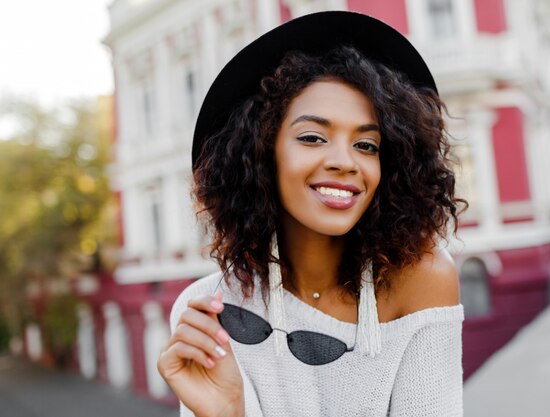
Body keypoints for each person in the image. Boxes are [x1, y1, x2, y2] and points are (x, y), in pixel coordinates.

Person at [158, 11, 465, 417]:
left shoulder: (423, 281)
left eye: (367, 145)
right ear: (262, 153)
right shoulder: (204, 313)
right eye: (312, 138)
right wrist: (228, 413)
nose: (345, 162)